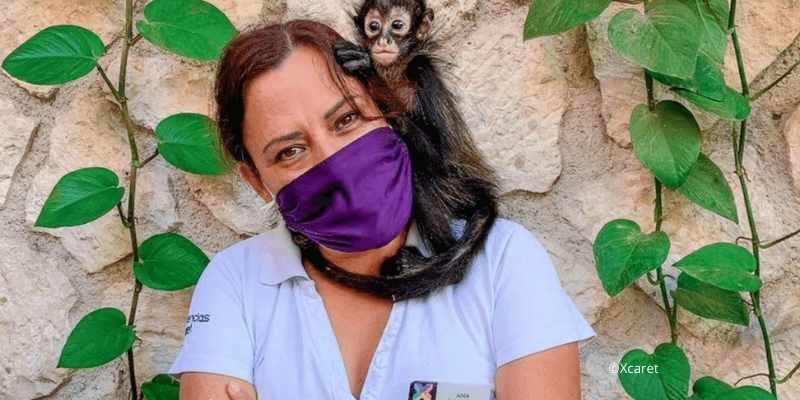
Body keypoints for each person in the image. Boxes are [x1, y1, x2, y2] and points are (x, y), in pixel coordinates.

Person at [167, 19, 596, 400]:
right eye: (290, 151)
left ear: (387, 111)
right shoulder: (236, 283)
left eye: (346, 120)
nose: (333, 161)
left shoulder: (504, 263)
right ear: (257, 181)